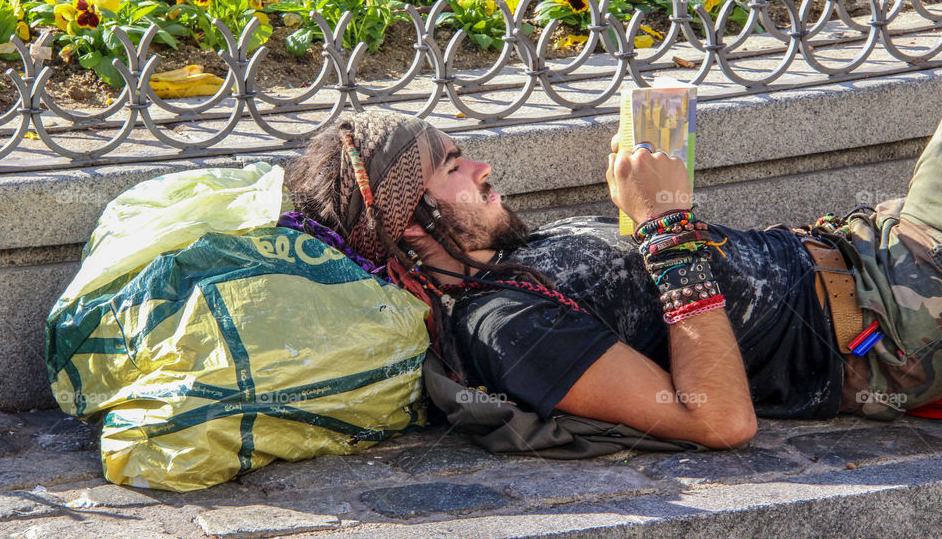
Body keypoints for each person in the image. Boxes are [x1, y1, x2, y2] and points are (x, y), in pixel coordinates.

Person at [283, 111, 942, 450]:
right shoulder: (507, 327)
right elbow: (718, 420)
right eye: (455, 167)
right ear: (417, 223)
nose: (483, 166)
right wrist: (661, 223)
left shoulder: (520, 249)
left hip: (876, 247)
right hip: (896, 325)